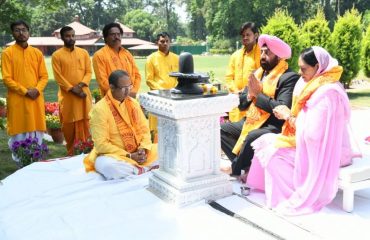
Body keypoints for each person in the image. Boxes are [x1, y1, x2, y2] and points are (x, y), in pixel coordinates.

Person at [247, 47, 355, 215]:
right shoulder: (315, 83)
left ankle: (288, 195)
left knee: (273, 153)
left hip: (326, 152)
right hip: (311, 144)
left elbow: (313, 135)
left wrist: (288, 116)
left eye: (304, 69)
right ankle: (265, 187)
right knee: (266, 140)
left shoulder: (328, 93)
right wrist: (288, 115)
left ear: (318, 66)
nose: (300, 72)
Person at [221, 34, 300, 176]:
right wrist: (250, 95)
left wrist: (258, 95)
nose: (262, 56)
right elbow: (242, 105)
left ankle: (236, 168)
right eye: (262, 51)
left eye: (267, 52)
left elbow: (282, 109)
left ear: (279, 57)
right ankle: (246, 166)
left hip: (273, 126)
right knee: (220, 129)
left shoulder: (289, 77)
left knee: (252, 136)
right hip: (250, 121)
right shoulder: (258, 74)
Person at [84, 70, 158, 180]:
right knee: (110, 167)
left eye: (130, 86)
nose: (128, 91)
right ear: (112, 87)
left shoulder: (133, 103)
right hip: (114, 156)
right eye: (124, 88)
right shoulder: (100, 109)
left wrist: (143, 149)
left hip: (138, 152)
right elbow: (101, 145)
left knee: (165, 151)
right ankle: (142, 168)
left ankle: (137, 168)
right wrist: (129, 155)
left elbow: (144, 130)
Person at [1, 20, 48, 165]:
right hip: (18, 100)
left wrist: (36, 89)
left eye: (24, 30)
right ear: (13, 33)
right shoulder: (7, 53)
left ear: (29, 32)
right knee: (20, 132)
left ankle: (36, 161)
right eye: (17, 30)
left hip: (35, 99)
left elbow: (44, 76)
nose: (21, 33)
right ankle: (21, 163)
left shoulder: (36, 53)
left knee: (37, 131)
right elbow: (7, 79)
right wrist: (25, 91)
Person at [52, 26, 92, 155]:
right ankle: (71, 153)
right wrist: (72, 89)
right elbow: (58, 77)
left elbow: (88, 72)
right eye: (68, 36)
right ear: (62, 37)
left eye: (73, 35)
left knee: (86, 122)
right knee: (68, 126)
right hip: (68, 97)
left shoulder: (83, 53)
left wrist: (80, 86)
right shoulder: (57, 55)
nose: (71, 38)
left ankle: (86, 152)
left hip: (83, 95)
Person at [145, 32, 179, 141]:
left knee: (173, 126)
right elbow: (149, 80)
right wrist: (162, 91)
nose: (165, 43)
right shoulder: (151, 58)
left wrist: (175, 90)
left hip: (174, 97)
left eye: (167, 41)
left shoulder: (176, 58)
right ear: (157, 43)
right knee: (157, 128)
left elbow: (180, 77)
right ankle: (156, 151)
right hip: (158, 98)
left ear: (170, 43)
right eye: (162, 41)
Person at [93, 22, 141, 98]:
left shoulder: (127, 54)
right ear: (105, 38)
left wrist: (133, 91)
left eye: (118, 34)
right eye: (113, 34)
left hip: (130, 98)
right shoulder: (99, 55)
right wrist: (121, 94)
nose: (116, 37)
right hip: (111, 99)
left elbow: (137, 75)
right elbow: (103, 82)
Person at [225, 22, 261, 122]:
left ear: (256, 35)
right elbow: (228, 78)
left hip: (252, 103)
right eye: (243, 35)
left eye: (248, 35)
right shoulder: (235, 55)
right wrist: (236, 91)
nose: (245, 37)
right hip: (236, 101)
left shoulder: (262, 54)